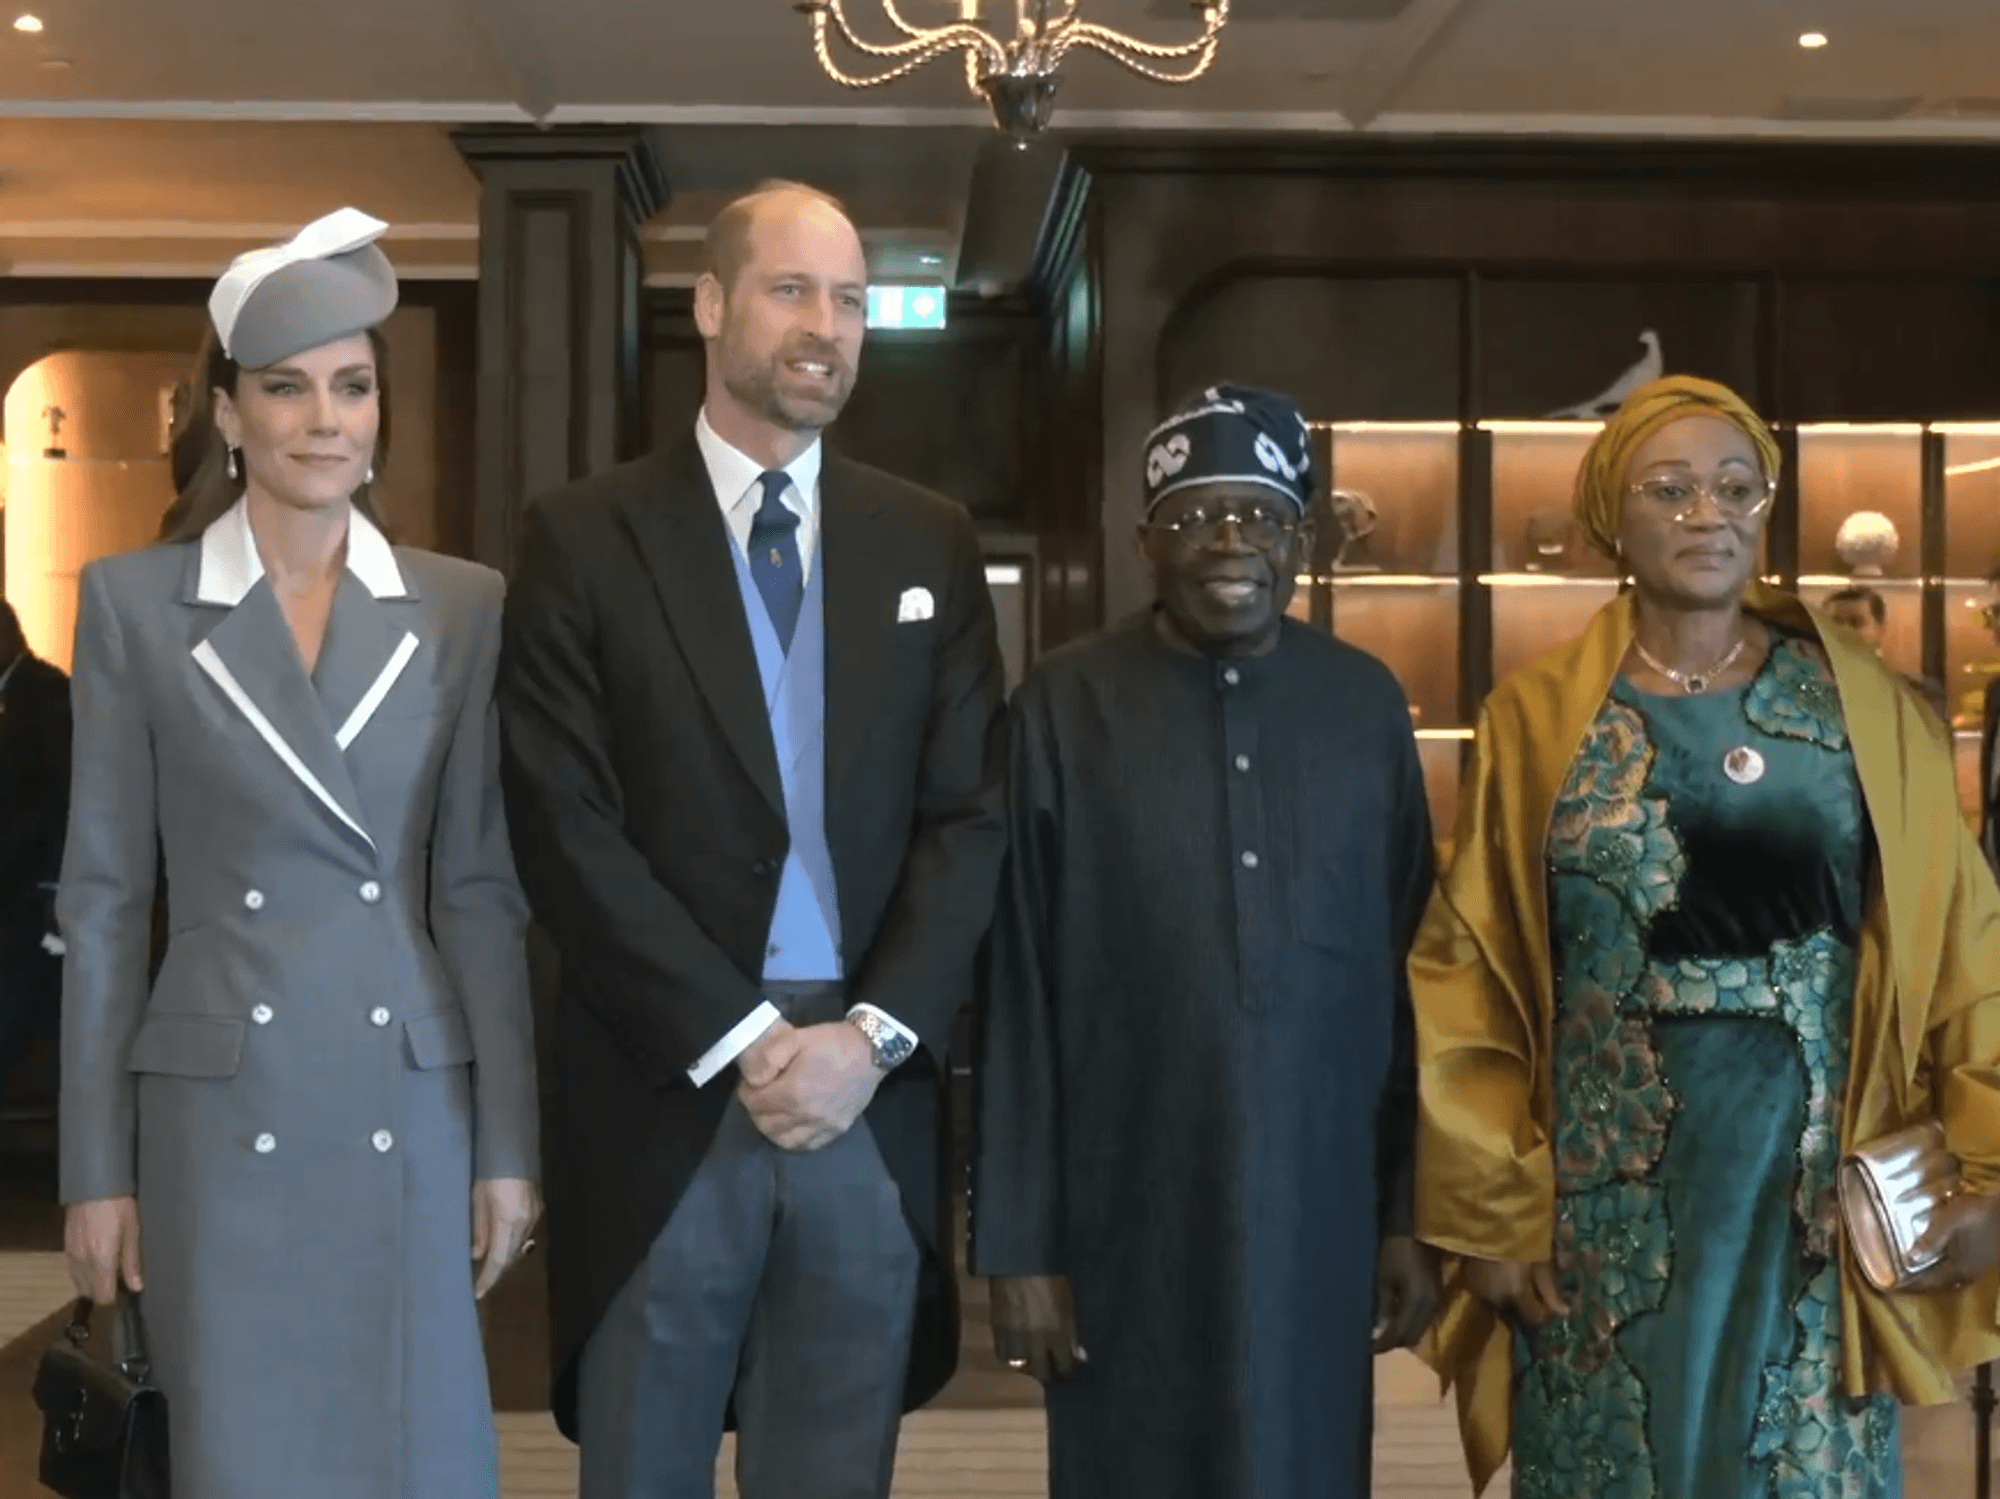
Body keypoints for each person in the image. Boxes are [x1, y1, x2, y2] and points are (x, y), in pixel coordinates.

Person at [498, 179, 1007, 1499]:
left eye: (850, 300)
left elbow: (969, 816)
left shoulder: (929, 541)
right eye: (792, 289)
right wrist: (743, 1035)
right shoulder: (583, 537)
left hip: (865, 1096)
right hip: (670, 1093)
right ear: (713, 305)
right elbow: (566, 828)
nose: (826, 325)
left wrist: (872, 1036)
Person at [1412, 375, 2000, 1498]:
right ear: (1609, 518)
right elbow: (1469, 974)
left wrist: (1981, 1165)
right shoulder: (1535, 719)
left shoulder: (1862, 705)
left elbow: (1964, 948)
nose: (1706, 513)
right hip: (1603, 1199)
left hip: (1814, 1194)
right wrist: (1491, 1209)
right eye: (1668, 489)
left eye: (1735, 488)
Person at [57, 208, 542, 1499]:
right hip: (221, 1121)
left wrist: (509, 1139)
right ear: (225, 413)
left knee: (416, 1455)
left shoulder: (459, 604)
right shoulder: (134, 605)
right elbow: (106, 903)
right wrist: (94, 1167)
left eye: (353, 385)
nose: (326, 419)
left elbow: (480, 890)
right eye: (286, 388)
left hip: (408, 1093)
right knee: (246, 1459)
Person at [970, 383, 1440, 1498]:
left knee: (1304, 1461)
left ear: (1303, 538)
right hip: (1121, 1205)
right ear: (1143, 541)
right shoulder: (1059, 707)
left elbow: (1419, 975)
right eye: (1192, 516)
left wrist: (1408, 1213)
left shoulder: (1363, 703)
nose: (1230, 541)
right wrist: (1019, 1246)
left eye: (1261, 516)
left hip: (1319, 1203)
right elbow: (1017, 991)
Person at [0, 598, 70, 1113]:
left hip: (31, 890)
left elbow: (61, 800)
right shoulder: (25, 695)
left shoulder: (48, 697)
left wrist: (53, 886)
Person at [1823, 583, 1949, 725]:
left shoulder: (1920, 694)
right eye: (1834, 623)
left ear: (1880, 628)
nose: (1845, 630)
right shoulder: (1810, 692)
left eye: (1856, 622)